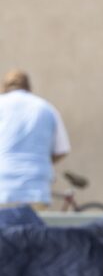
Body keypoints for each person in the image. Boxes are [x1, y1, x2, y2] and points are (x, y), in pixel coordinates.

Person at [0, 70, 71, 208]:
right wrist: (41, 160)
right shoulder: (46, 108)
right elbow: (62, 149)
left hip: (2, 186)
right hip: (36, 189)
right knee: (34, 229)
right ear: (29, 87)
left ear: (4, 87)